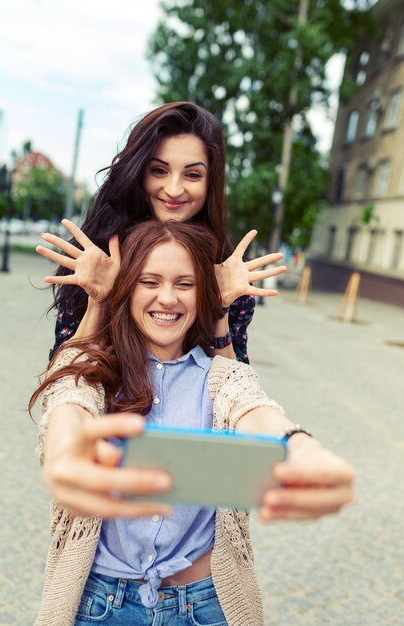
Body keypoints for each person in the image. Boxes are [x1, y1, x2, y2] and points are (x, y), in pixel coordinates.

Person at [31, 220, 355, 626]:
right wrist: (64, 456)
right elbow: (69, 403)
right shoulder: (95, 371)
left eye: (184, 284)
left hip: (203, 606)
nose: (167, 298)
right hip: (99, 605)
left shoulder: (222, 375)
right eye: (149, 281)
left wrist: (300, 445)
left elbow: (252, 407)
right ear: (128, 287)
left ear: (204, 295)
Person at [36, 101, 287, 363]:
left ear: (210, 182)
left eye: (192, 175)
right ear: (138, 172)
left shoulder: (228, 272)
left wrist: (219, 309)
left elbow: (238, 392)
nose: (174, 189)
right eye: (159, 170)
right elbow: (60, 380)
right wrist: (100, 303)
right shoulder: (95, 256)